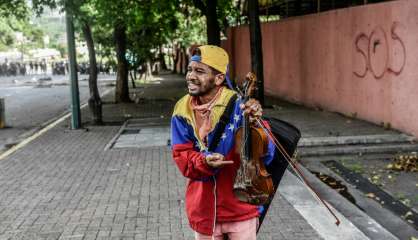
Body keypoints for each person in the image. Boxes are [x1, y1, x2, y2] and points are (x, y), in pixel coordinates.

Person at [171, 45, 275, 240]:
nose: (191, 76)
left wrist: (257, 126)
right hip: (204, 210)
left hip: (241, 208)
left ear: (219, 78)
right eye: (190, 70)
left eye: (200, 71)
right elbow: (182, 157)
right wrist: (204, 161)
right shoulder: (181, 111)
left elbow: (268, 154)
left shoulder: (240, 105)